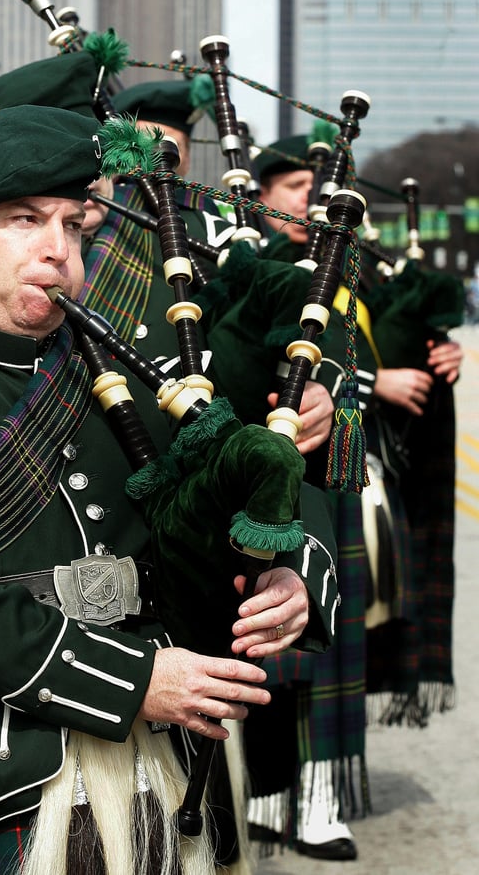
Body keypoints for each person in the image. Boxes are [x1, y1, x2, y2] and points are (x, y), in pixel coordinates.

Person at [0, 104, 338, 875]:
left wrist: (293, 571)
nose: (58, 250)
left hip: (156, 772)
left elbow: (249, 473)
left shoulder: (133, 375)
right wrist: (136, 681)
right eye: (24, 219)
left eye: (74, 226)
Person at [247, 133, 463, 860]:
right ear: (264, 197)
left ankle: (317, 800)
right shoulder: (249, 269)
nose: (312, 198)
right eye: (296, 186)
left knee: (336, 645)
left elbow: (383, 351)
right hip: (275, 475)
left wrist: (440, 357)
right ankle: (269, 794)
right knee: (273, 646)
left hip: (347, 481)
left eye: (318, 184)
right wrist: (378, 386)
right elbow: (267, 373)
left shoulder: (358, 274)